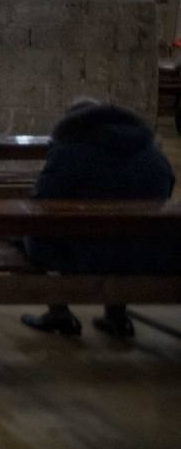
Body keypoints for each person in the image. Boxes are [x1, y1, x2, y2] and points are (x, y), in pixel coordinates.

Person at [20, 99, 180, 338]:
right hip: (151, 253)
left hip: (88, 254)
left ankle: (59, 312)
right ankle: (116, 316)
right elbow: (165, 193)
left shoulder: (70, 151)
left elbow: (44, 202)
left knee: (25, 235)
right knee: (124, 233)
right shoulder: (154, 156)